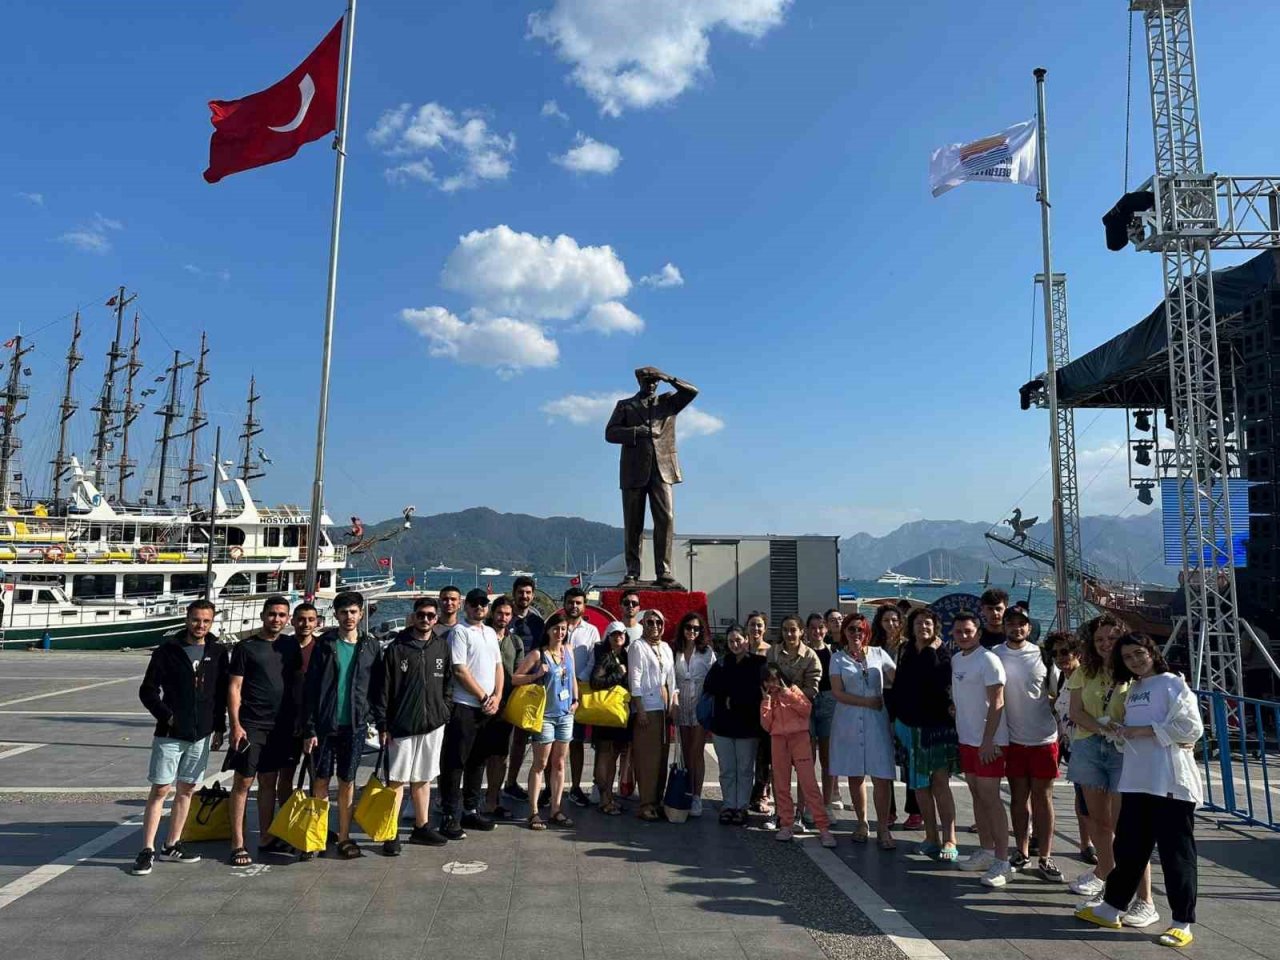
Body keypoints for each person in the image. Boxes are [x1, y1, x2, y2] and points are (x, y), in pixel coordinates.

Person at [1075, 633, 1203, 949]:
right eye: (1128, 658)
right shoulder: (1135, 690)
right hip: (1135, 782)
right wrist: (1121, 733)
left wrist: (1140, 731)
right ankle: (1111, 907)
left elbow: (1192, 728)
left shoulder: (1173, 683)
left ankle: (1181, 922)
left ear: (1151, 652)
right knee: (1130, 850)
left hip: (1170, 784)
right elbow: (1140, 734)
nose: (1134, 660)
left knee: (1176, 856)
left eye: (1138, 653)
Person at [1066, 615, 1157, 927]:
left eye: (1112, 638)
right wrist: (1102, 729)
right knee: (1099, 824)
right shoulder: (1084, 671)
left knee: (1129, 827)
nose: (1106, 644)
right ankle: (1111, 888)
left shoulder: (1134, 672)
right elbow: (1075, 711)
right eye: (1099, 640)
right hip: (1090, 747)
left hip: (1125, 751)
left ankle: (1145, 899)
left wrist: (1121, 731)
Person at [132, 599, 229, 875]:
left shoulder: (218, 652)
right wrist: (168, 716)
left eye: (206, 621)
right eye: (196, 620)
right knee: (161, 789)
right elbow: (147, 690)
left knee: (187, 789)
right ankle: (147, 849)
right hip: (170, 734)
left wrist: (219, 727)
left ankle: (171, 844)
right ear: (187, 619)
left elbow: (221, 693)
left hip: (202, 735)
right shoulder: (167, 651)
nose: (200, 625)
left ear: (212, 622)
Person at [369, 596, 453, 854]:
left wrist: (445, 710)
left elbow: (448, 682)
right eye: (421, 615)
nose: (425, 619)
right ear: (413, 616)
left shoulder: (441, 647)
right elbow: (382, 690)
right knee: (397, 780)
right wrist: (383, 724)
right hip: (402, 725)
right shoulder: (397, 648)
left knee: (424, 777)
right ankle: (390, 832)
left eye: (430, 615)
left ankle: (422, 826)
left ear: (436, 618)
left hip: (433, 723)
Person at [301, 591, 380, 860]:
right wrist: (309, 728)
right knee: (320, 780)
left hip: (355, 725)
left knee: (348, 780)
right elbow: (310, 688)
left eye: (354, 612)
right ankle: (318, 835)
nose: (349, 617)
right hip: (325, 724)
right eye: (344, 612)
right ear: (335, 614)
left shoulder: (371, 645)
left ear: (361, 614)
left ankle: (344, 835)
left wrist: (375, 719)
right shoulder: (325, 645)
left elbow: (377, 686)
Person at [605, 365, 699, 588]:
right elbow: (610, 433)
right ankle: (632, 572)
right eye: (648, 381)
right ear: (639, 382)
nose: (652, 385)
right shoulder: (625, 406)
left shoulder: (668, 402)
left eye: (655, 381)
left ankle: (664, 571)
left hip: (663, 469)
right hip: (633, 471)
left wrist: (670, 378)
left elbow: (692, 391)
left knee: (665, 519)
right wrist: (636, 432)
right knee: (633, 523)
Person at [226, 596, 302, 866]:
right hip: (251, 725)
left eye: (282, 615)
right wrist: (235, 725)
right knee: (243, 782)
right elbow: (234, 688)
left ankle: (267, 836)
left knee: (269, 782)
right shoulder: (246, 648)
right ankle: (237, 843)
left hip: (280, 726)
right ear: (262, 616)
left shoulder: (290, 646)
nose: (277, 619)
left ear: (287, 618)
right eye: (272, 614)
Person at [995, 605, 1062, 882]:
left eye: (1021, 624)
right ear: (1004, 627)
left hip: (1044, 739)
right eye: (1011, 623)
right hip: (1013, 740)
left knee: (1043, 797)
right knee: (1018, 798)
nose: (1016, 628)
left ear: (1029, 626)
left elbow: (1058, 695)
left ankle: (1045, 856)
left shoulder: (1044, 656)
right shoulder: (995, 656)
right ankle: (1021, 850)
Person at [951, 610, 1013, 887]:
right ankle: (986, 850)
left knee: (991, 797)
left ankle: (1003, 860)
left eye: (968, 631)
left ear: (978, 632)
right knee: (976, 795)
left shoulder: (989, 660)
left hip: (990, 742)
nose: (964, 636)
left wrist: (989, 741)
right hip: (966, 738)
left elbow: (997, 702)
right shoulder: (956, 659)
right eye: (958, 632)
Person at [891, 608, 959, 861]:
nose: (923, 627)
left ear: (936, 626)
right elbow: (900, 685)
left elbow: (938, 683)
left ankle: (950, 837)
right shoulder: (905, 650)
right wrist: (895, 717)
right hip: (909, 725)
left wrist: (931, 650)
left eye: (928, 623)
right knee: (919, 785)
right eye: (918, 623)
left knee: (940, 782)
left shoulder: (942, 653)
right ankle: (930, 836)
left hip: (936, 728)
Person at [438, 588, 504, 839]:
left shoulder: (489, 632)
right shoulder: (459, 633)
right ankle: (449, 815)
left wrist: (497, 696)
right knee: (455, 762)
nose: (479, 608)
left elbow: (498, 666)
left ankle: (471, 809)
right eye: (475, 604)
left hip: (487, 709)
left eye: (483, 604)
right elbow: (459, 670)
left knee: (478, 762)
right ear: (466, 607)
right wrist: (483, 696)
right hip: (464, 705)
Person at [829, 614, 897, 849]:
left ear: (866, 631)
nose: (855, 634)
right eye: (851, 629)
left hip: (877, 721)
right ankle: (861, 822)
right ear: (844, 632)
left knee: (881, 775)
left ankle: (883, 827)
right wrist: (866, 702)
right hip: (849, 718)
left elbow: (897, 677)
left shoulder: (878, 653)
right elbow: (837, 692)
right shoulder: (837, 659)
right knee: (855, 774)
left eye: (860, 629)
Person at [760, 664, 837, 847]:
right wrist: (766, 701)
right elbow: (766, 725)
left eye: (774, 679)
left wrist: (788, 694)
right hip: (778, 741)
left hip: (800, 739)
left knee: (809, 783)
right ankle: (786, 824)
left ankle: (823, 828)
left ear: (781, 678)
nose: (772, 683)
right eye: (768, 680)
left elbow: (806, 709)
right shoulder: (768, 698)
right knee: (781, 784)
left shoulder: (793, 690)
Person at [514, 611, 578, 829]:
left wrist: (576, 699)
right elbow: (515, 678)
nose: (560, 633)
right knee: (540, 764)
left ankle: (556, 809)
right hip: (545, 716)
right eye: (556, 629)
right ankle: (533, 811)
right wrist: (535, 675)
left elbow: (573, 678)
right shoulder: (537, 655)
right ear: (548, 631)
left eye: (563, 629)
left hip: (566, 714)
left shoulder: (568, 651)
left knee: (559, 764)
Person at [704, 624, 766, 826]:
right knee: (727, 769)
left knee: (746, 769)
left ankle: (742, 806)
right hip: (723, 725)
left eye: (738, 640)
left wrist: (736, 697)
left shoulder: (759, 663)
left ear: (747, 640)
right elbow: (711, 686)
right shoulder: (721, 663)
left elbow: (759, 692)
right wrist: (730, 694)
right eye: (731, 641)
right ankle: (729, 804)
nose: (735, 644)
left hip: (748, 727)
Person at [870, 604, 922, 830]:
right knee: (884, 759)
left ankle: (915, 811)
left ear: (901, 623)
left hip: (904, 705)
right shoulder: (873, 647)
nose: (891, 624)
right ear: (879, 624)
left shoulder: (909, 647)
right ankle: (888, 811)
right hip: (881, 703)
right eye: (886, 620)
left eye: (895, 620)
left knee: (909, 760)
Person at [274, 601, 321, 837]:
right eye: (301, 619)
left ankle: (314, 824)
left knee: (317, 777)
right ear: (293, 621)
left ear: (317, 622)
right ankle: (287, 821)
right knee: (286, 775)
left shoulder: (323, 648)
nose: (306, 624)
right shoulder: (283, 646)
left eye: (311, 620)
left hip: (315, 722)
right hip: (287, 722)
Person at [1049, 631, 1095, 864]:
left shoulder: (1086, 677)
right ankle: (1086, 842)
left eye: (1064, 652)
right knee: (1080, 795)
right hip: (1068, 743)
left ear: (1077, 653)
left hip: (1087, 745)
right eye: (1055, 653)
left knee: (1089, 797)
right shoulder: (1061, 677)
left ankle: (1094, 844)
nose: (1059, 657)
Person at [628, 608, 677, 821]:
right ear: (643, 624)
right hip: (647, 708)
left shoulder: (665, 647)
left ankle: (657, 800)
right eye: (650, 623)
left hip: (663, 708)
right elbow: (635, 680)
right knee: (647, 758)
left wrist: (673, 705)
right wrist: (640, 709)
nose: (655, 626)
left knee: (661, 757)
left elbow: (671, 679)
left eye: (658, 622)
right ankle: (646, 802)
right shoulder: (637, 647)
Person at [502, 577, 543, 803]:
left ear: (533, 595)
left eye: (528, 592)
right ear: (514, 593)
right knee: (498, 739)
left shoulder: (538, 623)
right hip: (503, 684)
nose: (524, 596)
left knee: (520, 739)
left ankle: (511, 782)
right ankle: (492, 786)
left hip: (527, 686)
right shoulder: (502, 618)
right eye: (520, 592)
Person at [560, 586, 601, 808]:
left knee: (576, 742)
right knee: (554, 743)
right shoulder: (556, 627)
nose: (574, 606)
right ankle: (550, 788)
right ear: (564, 603)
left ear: (584, 606)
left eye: (578, 603)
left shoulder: (592, 631)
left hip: (579, 693)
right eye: (570, 602)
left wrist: (576, 682)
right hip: (555, 693)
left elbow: (594, 661)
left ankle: (575, 787)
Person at [480, 595, 521, 820]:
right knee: (476, 756)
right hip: (479, 705)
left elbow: (517, 676)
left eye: (507, 614)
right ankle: (470, 800)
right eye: (499, 613)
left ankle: (493, 800)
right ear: (491, 613)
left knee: (499, 756)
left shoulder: (516, 643)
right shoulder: (480, 636)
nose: (503, 618)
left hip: (504, 707)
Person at [673, 611, 715, 817]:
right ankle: (687, 791)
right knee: (685, 752)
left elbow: (715, 677)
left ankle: (697, 796)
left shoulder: (706, 652)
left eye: (696, 628)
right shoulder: (676, 651)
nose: (692, 631)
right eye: (689, 627)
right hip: (681, 704)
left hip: (699, 703)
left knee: (697, 752)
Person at [589, 621, 631, 816]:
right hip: (606, 716)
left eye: (621, 633)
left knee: (612, 756)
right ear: (608, 637)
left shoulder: (624, 655)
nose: (618, 637)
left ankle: (609, 797)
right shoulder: (605, 657)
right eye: (614, 634)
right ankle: (604, 799)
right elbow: (595, 682)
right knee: (605, 756)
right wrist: (617, 674)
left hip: (617, 715)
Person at [805, 612, 837, 823]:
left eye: (820, 627)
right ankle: (809, 805)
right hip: (807, 704)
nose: (817, 631)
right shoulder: (804, 653)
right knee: (808, 759)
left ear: (826, 630)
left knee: (828, 759)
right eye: (813, 628)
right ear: (807, 630)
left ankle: (826, 804)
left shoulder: (833, 652)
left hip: (829, 703)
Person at [613, 588, 644, 799]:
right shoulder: (614, 629)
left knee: (634, 746)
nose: (630, 606)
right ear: (620, 605)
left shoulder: (645, 631)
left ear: (639, 607)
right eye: (627, 602)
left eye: (634, 603)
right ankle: (604, 786)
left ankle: (626, 783)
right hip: (617, 696)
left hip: (639, 697)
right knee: (614, 746)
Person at [744, 611, 773, 814]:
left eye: (759, 625)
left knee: (765, 756)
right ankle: (746, 795)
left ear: (765, 628)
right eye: (752, 625)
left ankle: (762, 795)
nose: (756, 629)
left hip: (765, 707)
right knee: (747, 754)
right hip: (744, 708)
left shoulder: (770, 652)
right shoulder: (741, 649)